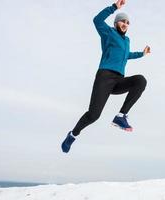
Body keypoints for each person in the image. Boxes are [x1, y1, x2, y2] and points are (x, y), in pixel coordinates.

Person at [61, 0, 151, 153]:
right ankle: (73, 135)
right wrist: (114, 7)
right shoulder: (108, 33)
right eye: (123, 21)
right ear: (116, 23)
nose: (125, 24)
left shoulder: (126, 41)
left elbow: (126, 55)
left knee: (140, 80)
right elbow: (96, 20)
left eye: (128, 22)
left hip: (118, 80)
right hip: (105, 77)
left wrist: (141, 54)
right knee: (94, 115)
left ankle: (121, 116)